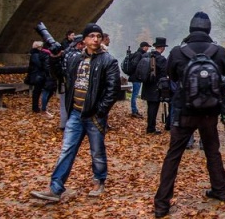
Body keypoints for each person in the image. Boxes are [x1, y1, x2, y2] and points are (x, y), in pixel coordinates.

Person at [154, 12, 225, 217]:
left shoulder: (177, 52)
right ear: (208, 29)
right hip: (210, 112)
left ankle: (162, 204)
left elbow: (171, 75)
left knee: (174, 155)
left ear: (190, 29)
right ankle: (220, 190)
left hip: (183, 111)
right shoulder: (219, 51)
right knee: (212, 151)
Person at [30, 23, 121, 202]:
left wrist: (100, 111)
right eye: (92, 36)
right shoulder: (74, 59)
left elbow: (113, 89)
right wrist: (55, 57)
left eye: (98, 36)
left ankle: (99, 180)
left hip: (94, 115)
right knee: (67, 150)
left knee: (97, 151)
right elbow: (59, 75)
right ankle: (55, 189)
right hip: (76, 113)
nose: (95, 39)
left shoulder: (108, 61)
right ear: (85, 39)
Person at [141, 38, 169, 135]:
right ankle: (151, 128)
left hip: (147, 85)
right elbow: (165, 72)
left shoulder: (146, 55)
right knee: (153, 107)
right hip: (156, 86)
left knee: (150, 107)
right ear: (162, 48)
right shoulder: (161, 59)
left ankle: (150, 126)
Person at [60, 35, 84, 130]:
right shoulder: (78, 56)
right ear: (79, 44)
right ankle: (71, 125)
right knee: (73, 105)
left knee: (65, 104)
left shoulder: (66, 53)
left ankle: (64, 123)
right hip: (72, 84)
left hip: (65, 82)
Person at [129, 41, 151, 119]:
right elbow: (135, 65)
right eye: (147, 46)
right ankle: (134, 111)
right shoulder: (139, 54)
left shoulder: (138, 53)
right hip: (136, 77)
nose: (148, 48)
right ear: (144, 47)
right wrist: (139, 73)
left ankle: (135, 110)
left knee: (134, 94)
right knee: (135, 94)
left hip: (135, 77)